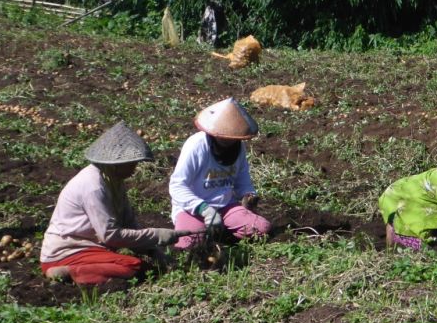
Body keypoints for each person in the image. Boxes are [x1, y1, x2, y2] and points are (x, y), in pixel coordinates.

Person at [40, 122, 185, 285]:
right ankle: (68, 271)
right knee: (134, 267)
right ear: (116, 164)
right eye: (131, 164)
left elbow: (128, 222)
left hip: (90, 247)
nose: (134, 168)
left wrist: (153, 250)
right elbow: (110, 236)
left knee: (145, 268)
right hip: (66, 252)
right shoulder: (93, 186)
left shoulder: (114, 180)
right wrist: (155, 235)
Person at [169, 97, 271, 249]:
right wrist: (204, 209)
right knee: (189, 243)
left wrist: (248, 194)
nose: (229, 142)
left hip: (225, 206)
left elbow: (242, 179)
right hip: (193, 208)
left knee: (261, 229)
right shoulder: (196, 146)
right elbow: (177, 186)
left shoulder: (238, 147)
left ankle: (220, 233)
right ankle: (207, 233)